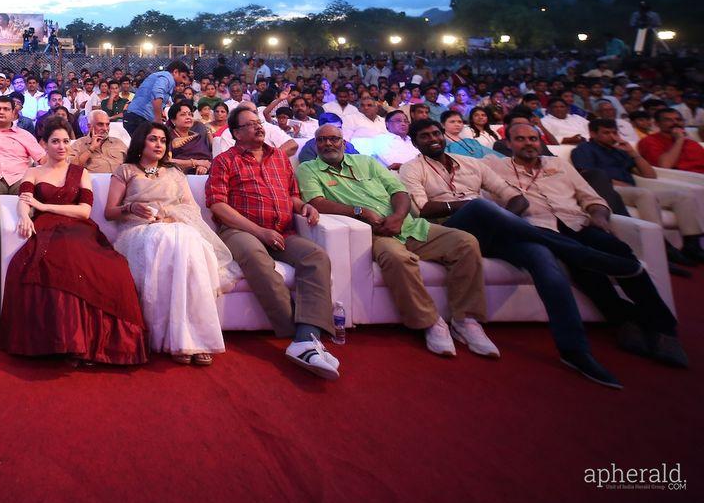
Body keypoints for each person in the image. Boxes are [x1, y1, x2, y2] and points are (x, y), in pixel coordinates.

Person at [400, 118, 638, 387]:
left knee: (543, 258)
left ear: (443, 135)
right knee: (478, 206)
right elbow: (423, 209)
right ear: (414, 141)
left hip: (492, 232)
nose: (432, 138)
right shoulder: (412, 169)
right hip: (450, 232)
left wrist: (502, 221)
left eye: (436, 133)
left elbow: (517, 198)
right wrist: (469, 206)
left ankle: (575, 351)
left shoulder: (471, 164)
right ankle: (578, 253)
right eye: (424, 136)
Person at [487, 119, 686, 368]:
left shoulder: (559, 165)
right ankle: (626, 320)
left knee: (618, 251)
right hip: (541, 229)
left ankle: (660, 328)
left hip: (578, 224)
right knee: (581, 265)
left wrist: (599, 217)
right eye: (520, 139)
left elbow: (590, 197)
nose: (528, 144)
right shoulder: (495, 167)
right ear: (508, 143)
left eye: (532, 139)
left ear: (540, 142)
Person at [297, 123, 496, 358]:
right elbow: (318, 202)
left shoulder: (367, 162)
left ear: (343, 142)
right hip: (373, 233)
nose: (328, 144)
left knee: (465, 242)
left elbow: (398, 191)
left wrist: (399, 216)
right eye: (321, 140)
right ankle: (430, 322)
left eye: (333, 139)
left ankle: (466, 320)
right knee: (397, 258)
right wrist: (360, 211)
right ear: (315, 145)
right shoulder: (308, 169)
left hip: (408, 225)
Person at [0, 116, 147, 365]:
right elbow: (25, 201)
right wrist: (24, 217)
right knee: (52, 259)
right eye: (55, 141)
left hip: (79, 227)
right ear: (44, 144)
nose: (61, 146)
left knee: (110, 266)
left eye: (66, 141)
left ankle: (91, 344)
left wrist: (44, 205)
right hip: (45, 228)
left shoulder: (81, 172)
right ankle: (64, 341)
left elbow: (84, 211)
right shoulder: (33, 172)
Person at [207, 106, 339, 379]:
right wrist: (258, 231)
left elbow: (292, 195)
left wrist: (304, 207)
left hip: (282, 231)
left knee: (316, 256)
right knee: (257, 257)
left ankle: (307, 336)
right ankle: (296, 333)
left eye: (259, 122)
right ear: (236, 133)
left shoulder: (279, 157)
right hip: (239, 230)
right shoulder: (225, 161)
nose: (258, 126)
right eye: (250, 124)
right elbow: (218, 205)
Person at [106, 121, 238, 364]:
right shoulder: (126, 170)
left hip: (174, 228)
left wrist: (168, 215)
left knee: (183, 238)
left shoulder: (175, 173)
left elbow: (191, 209)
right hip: (137, 231)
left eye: (163, 140)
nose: (159, 144)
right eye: (153, 139)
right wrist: (131, 207)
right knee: (170, 238)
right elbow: (109, 212)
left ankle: (194, 340)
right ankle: (176, 340)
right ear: (141, 142)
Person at [573, 118, 704, 263]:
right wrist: (622, 184)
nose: (612, 136)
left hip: (633, 190)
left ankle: (692, 246)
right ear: (593, 133)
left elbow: (650, 175)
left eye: (614, 132)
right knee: (644, 193)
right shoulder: (583, 149)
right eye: (606, 133)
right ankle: (661, 245)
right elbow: (588, 176)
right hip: (610, 191)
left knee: (683, 196)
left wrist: (632, 152)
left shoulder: (620, 151)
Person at [121, 60, 190, 138]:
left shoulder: (160, 76)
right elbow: (156, 94)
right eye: (183, 77)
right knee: (146, 147)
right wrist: (158, 120)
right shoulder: (167, 78)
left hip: (135, 116)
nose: (183, 81)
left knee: (142, 148)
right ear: (175, 72)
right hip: (139, 117)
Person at [637, 107, 704, 174]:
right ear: (657, 124)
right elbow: (664, 166)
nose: (675, 122)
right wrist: (679, 140)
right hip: (681, 179)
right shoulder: (649, 141)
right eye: (668, 120)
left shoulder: (691, 143)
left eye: (679, 119)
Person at [166, 102, 213, 175]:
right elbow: (166, 161)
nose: (188, 117)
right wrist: (195, 162)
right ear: (173, 120)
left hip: (200, 176)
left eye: (190, 114)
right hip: (176, 176)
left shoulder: (198, 137)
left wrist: (203, 166)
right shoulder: (168, 137)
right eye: (183, 114)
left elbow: (207, 159)